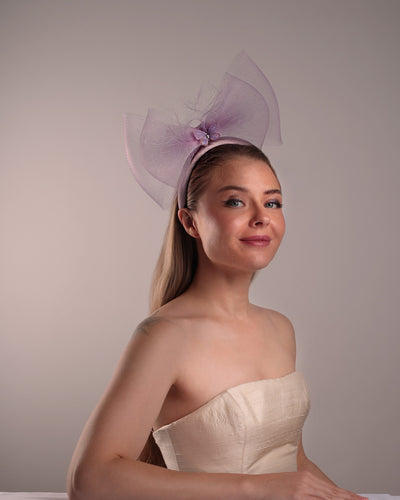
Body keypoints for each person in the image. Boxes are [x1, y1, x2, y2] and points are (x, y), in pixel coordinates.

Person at [67, 53, 368, 500]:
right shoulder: (165, 336)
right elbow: (90, 481)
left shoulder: (280, 329)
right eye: (234, 202)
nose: (261, 218)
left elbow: (290, 464)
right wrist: (255, 488)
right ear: (189, 222)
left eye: (273, 202)